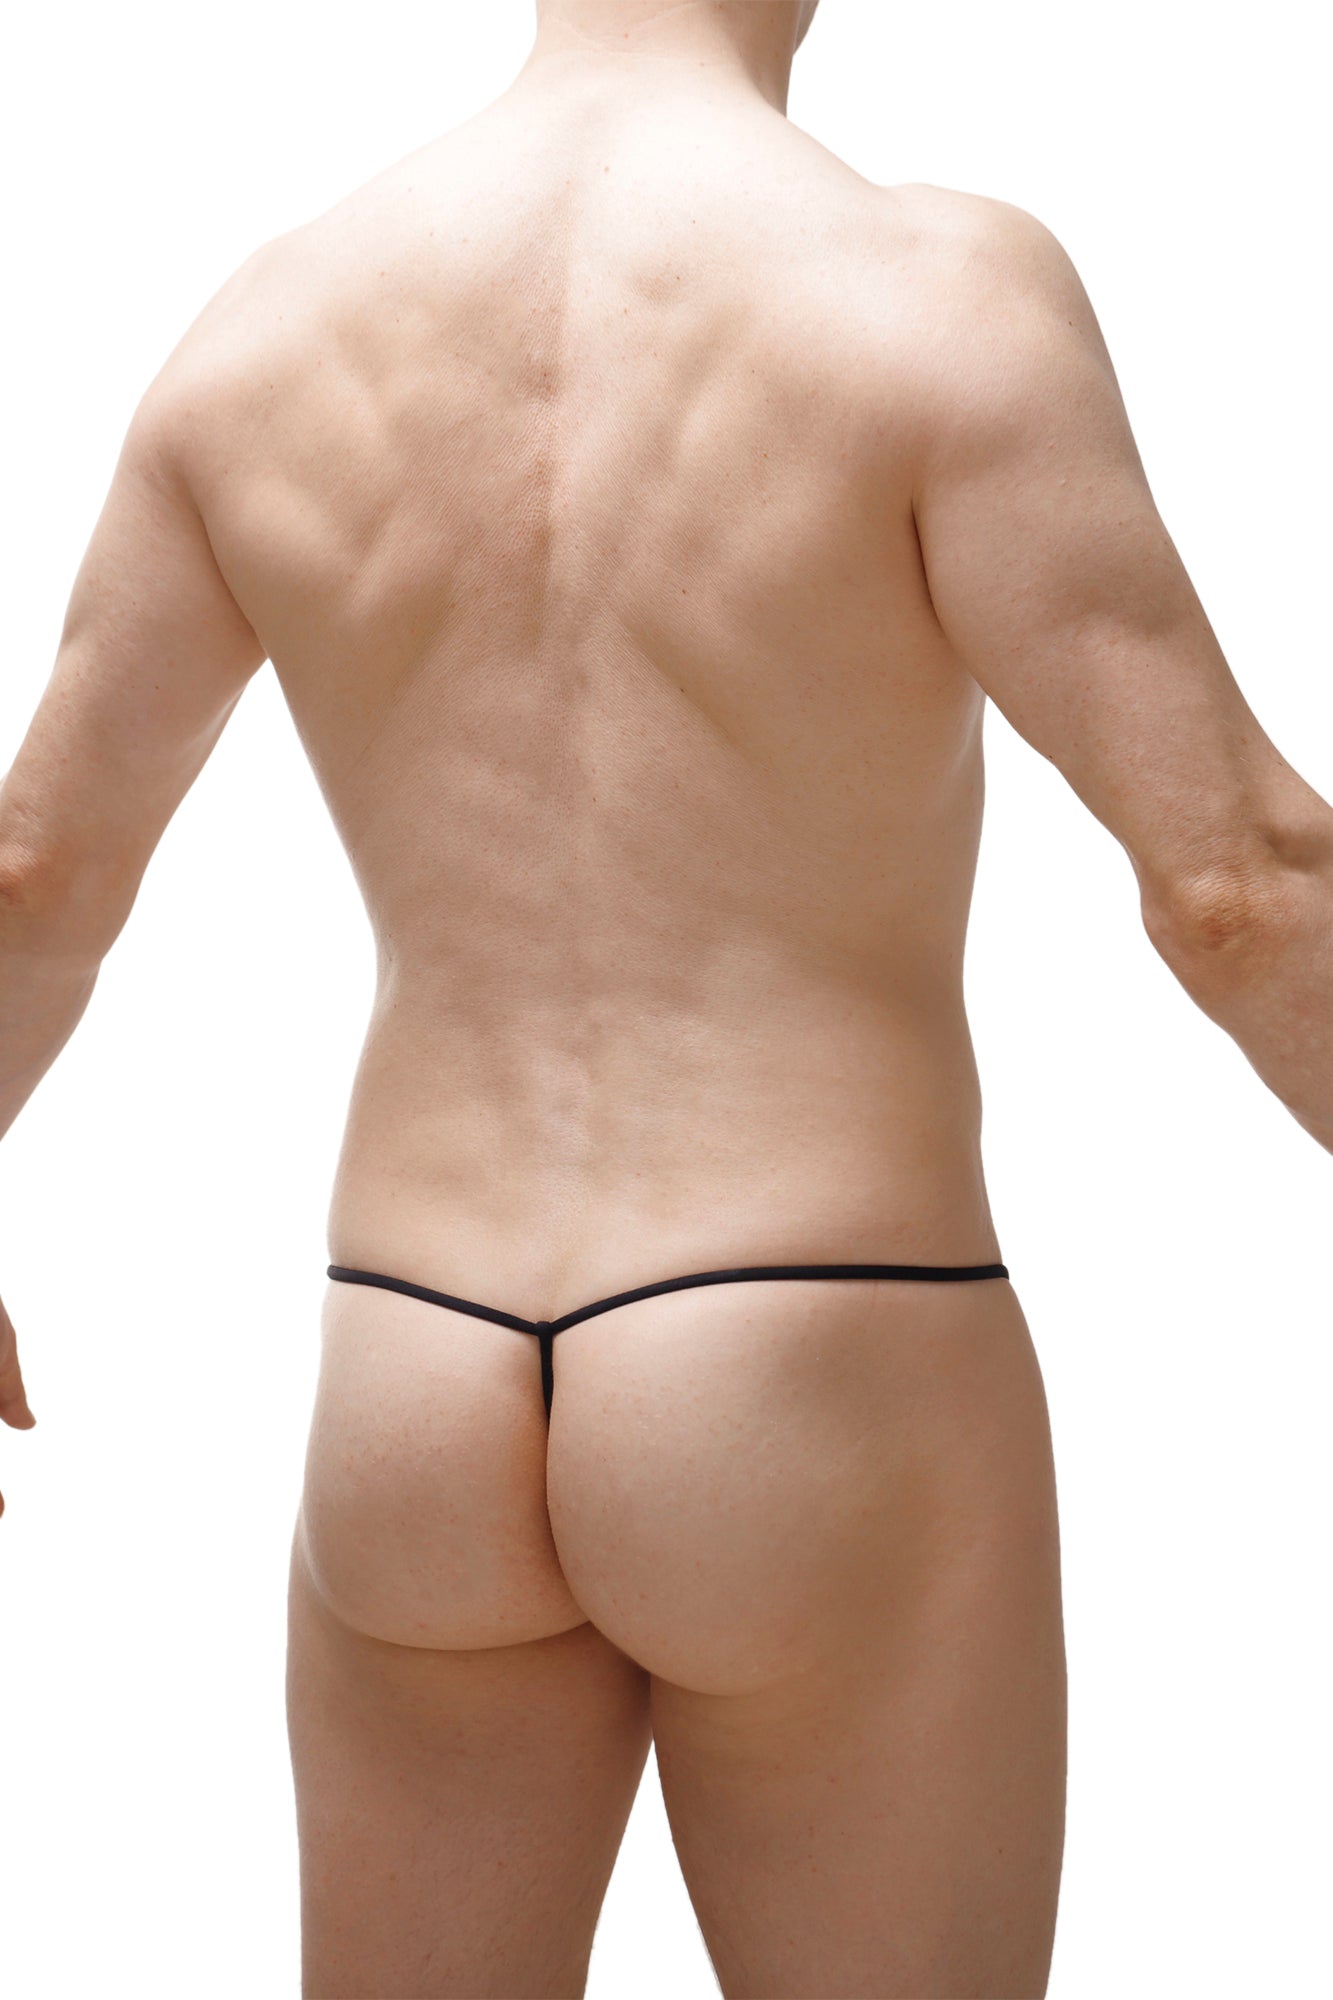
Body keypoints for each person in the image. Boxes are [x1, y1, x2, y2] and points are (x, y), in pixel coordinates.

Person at [1, 1, 1329, 1993]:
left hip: (413, 1369)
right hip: (816, 1348)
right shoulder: (927, 292)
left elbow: (34, 874)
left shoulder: (267, 325)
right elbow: (1241, 887)